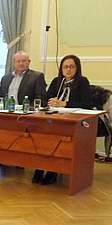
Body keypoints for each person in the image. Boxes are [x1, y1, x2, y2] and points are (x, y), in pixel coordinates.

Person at [33, 55, 93, 185]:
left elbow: (87, 104)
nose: (68, 70)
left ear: (77, 68)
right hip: (54, 117)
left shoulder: (82, 82)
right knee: (42, 136)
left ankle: (53, 171)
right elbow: (45, 99)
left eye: (72, 67)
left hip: (72, 120)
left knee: (57, 139)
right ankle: (39, 167)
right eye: (65, 67)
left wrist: (64, 104)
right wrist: (50, 102)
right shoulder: (57, 81)